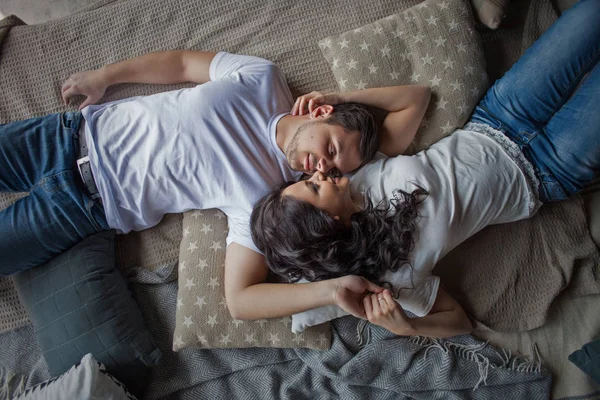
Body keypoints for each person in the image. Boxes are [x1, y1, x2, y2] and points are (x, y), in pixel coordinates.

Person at [251, 0, 600, 338]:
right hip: (547, 169)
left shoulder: (355, 169)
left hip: (500, 115)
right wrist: (407, 326)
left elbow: (414, 99)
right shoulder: (390, 278)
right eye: (313, 188)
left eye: (306, 179)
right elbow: (459, 322)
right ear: (331, 223)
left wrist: (339, 98)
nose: (317, 174)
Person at [0, 49, 431, 320]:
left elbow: (240, 301)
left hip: (83, 207)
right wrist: (105, 75)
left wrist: (332, 291)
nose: (324, 167)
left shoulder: (268, 200)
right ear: (320, 113)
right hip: (63, 136)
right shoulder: (262, 78)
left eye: (335, 172)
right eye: (333, 150)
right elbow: (182, 64)